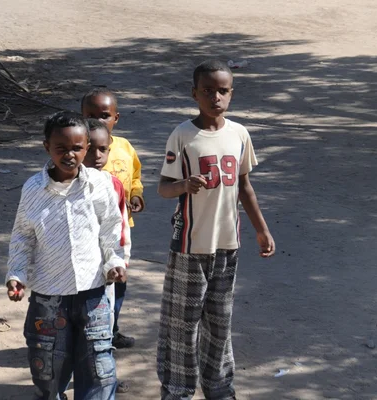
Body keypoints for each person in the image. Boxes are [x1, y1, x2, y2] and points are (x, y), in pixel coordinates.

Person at [156, 59, 276, 400]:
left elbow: (244, 187)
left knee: (219, 324)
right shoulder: (183, 135)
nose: (216, 98)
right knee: (183, 325)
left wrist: (261, 230)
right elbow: (164, 188)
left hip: (227, 245)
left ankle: (220, 388)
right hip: (190, 247)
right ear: (195, 94)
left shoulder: (239, 134)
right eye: (208, 91)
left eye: (223, 91)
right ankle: (177, 390)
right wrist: (183, 185)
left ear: (231, 94)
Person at [6, 111, 127, 400]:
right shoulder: (34, 189)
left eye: (76, 148)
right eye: (61, 148)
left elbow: (111, 230)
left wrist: (114, 262)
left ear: (86, 147)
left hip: (93, 292)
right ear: (47, 146)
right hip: (49, 297)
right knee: (47, 367)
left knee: (98, 366)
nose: (69, 155)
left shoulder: (100, 185)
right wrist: (17, 275)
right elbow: (23, 236)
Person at [82, 88, 144, 349]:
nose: (99, 120)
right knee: (90, 287)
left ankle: (111, 329)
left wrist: (137, 195)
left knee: (117, 284)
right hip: (88, 235)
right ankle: (85, 335)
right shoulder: (80, 149)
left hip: (120, 231)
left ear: (116, 118)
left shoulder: (125, 148)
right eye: (91, 115)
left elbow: (136, 176)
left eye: (105, 115)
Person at [83, 118, 132, 394]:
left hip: (106, 275)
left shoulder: (113, 185)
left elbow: (120, 228)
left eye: (103, 149)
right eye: (90, 149)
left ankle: (103, 381)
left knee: (102, 332)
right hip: (72, 277)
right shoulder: (62, 184)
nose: (97, 156)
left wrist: (120, 262)